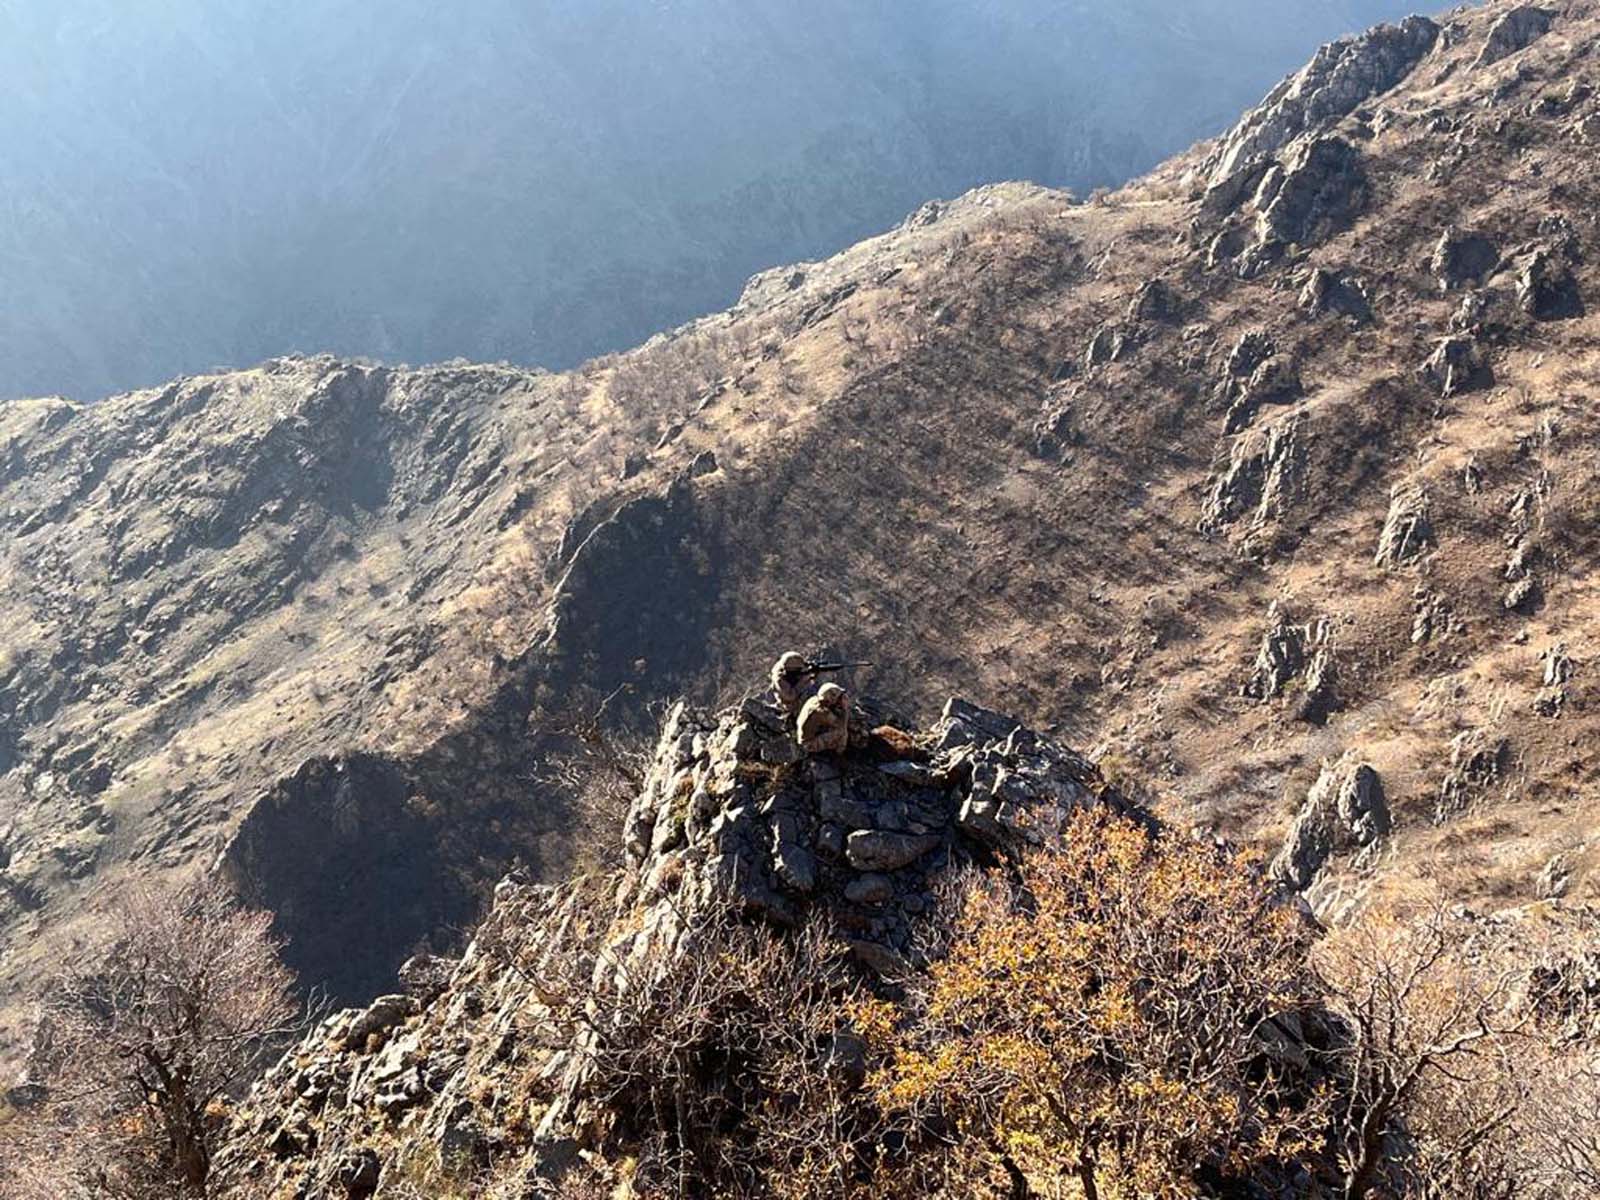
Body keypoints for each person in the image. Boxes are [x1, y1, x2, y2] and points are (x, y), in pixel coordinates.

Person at [796, 683, 850, 754]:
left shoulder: (814, 700)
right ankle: (839, 752)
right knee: (841, 732)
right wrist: (845, 709)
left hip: (803, 735)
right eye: (839, 698)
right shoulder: (822, 712)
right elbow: (840, 725)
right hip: (809, 744)